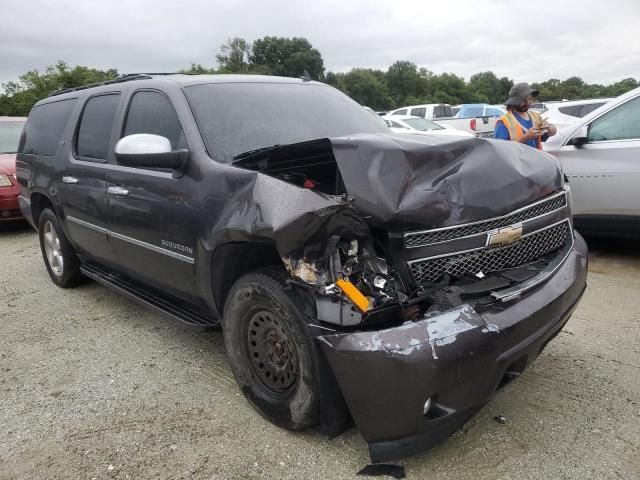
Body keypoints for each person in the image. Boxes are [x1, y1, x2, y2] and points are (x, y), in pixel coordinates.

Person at [494, 82, 557, 149]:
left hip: (537, 158)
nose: (527, 103)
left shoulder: (535, 116)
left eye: (529, 99)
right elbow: (501, 149)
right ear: (514, 101)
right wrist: (526, 137)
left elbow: (546, 135)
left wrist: (550, 129)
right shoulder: (503, 122)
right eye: (523, 100)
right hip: (516, 159)